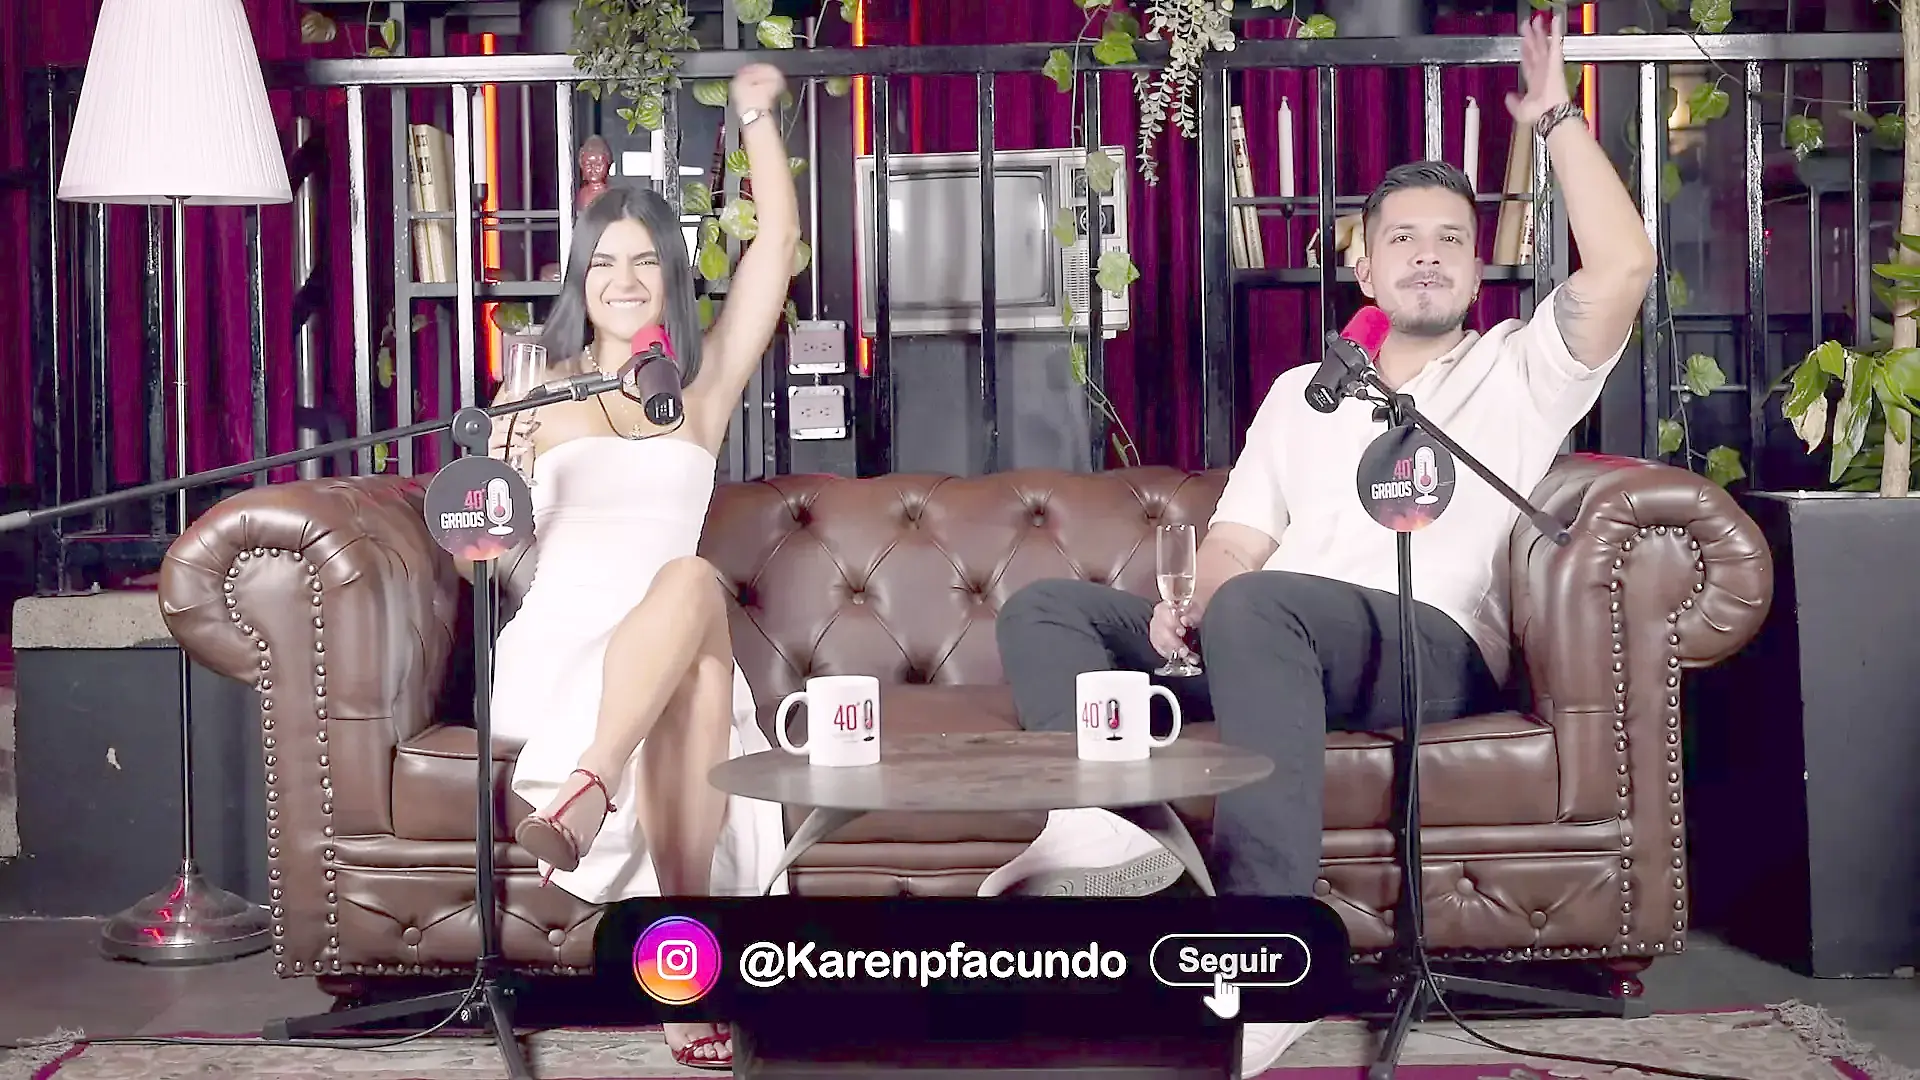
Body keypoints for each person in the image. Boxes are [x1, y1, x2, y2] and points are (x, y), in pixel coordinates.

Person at [984, 15, 1655, 1076]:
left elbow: (1621, 266)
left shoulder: (1518, 371)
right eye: (1404, 239)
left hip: (1423, 646)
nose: (1427, 256)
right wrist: (1194, 607)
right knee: (1049, 609)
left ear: (1477, 267)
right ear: (1364, 267)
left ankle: (1269, 956)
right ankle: (1107, 822)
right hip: (1273, 641)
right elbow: (1239, 538)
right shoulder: (1307, 391)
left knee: (1264, 604)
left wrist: (1556, 118)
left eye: (1450, 240)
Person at [475, 63, 799, 1071]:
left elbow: (777, 245)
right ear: (581, 278)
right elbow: (490, 554)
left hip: (676, 643)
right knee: (695, 615)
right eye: (604, 261)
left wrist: (755, 114)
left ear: (670, 281)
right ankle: (683, 968)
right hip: (565, 648)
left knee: (690, 594)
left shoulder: (699, 392)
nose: (624, 279)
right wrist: (500, 472)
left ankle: (591, 790)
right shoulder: (537, 387)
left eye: (646, 262)